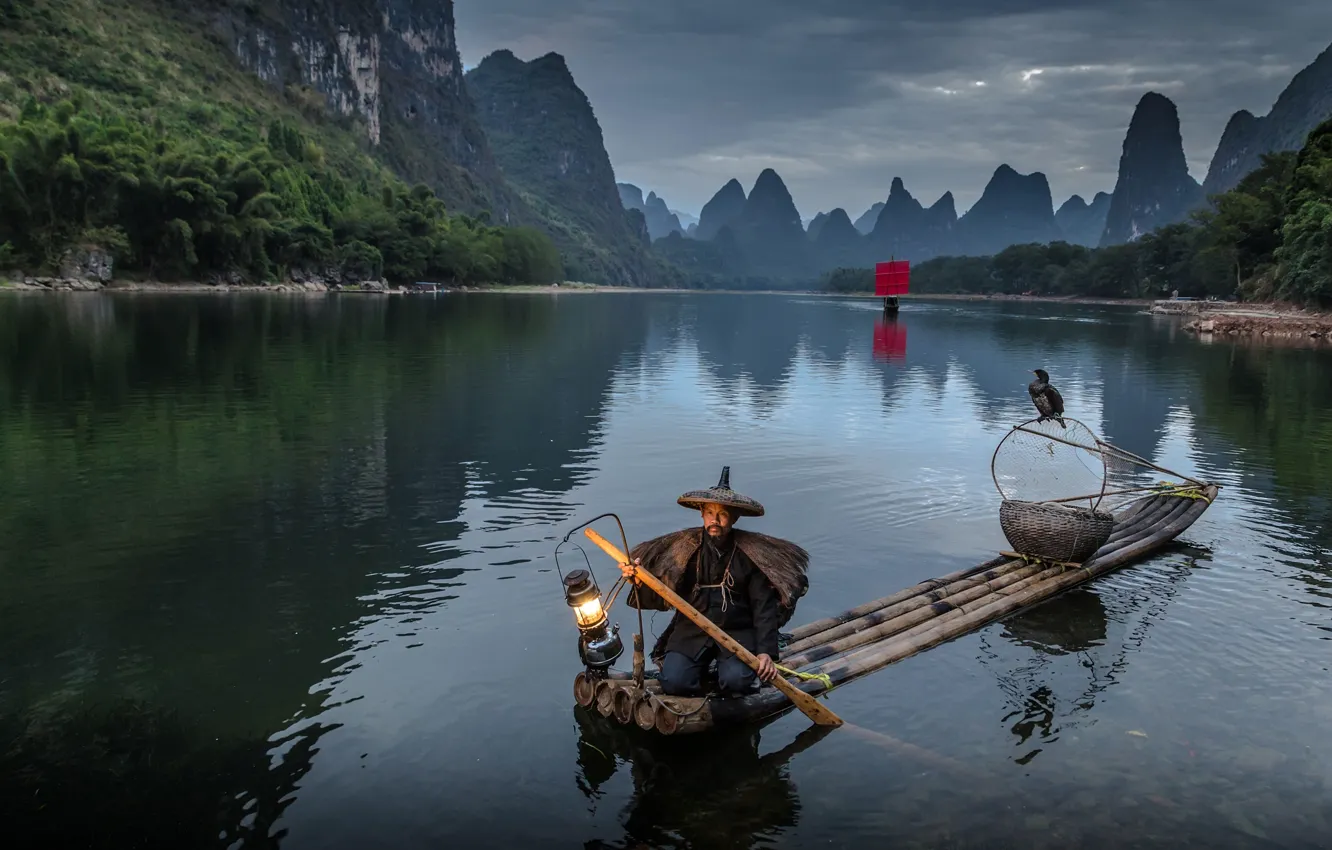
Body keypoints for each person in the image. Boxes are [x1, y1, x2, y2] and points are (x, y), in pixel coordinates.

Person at [619, 466, 810, 697]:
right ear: (701, 513)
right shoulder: (684, 550)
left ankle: (727, 692)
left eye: (723, 514)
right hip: (692, 631)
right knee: (673, 682)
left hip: (737, 633)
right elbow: (663, 592)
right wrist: (638, 580)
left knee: (737, 683)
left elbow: (763, 607)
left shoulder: (751, 555)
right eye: (710, 513)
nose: (715, 520)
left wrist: (765, 652)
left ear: (735, 517)